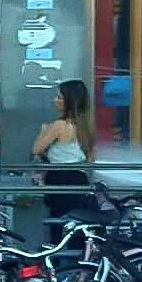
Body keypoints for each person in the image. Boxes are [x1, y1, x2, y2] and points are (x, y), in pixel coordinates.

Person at [33, 79, 94, 244]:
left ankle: (58, 265)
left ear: (69, 101)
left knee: (58, 226)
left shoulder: (59, 125)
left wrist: (43, 131)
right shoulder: (86, 126)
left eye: (59, 97)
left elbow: (36, 149)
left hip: (60, 179)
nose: (55, 100)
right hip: (80, 180)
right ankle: (78, 264)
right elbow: (90, 158)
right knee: (77, 226)